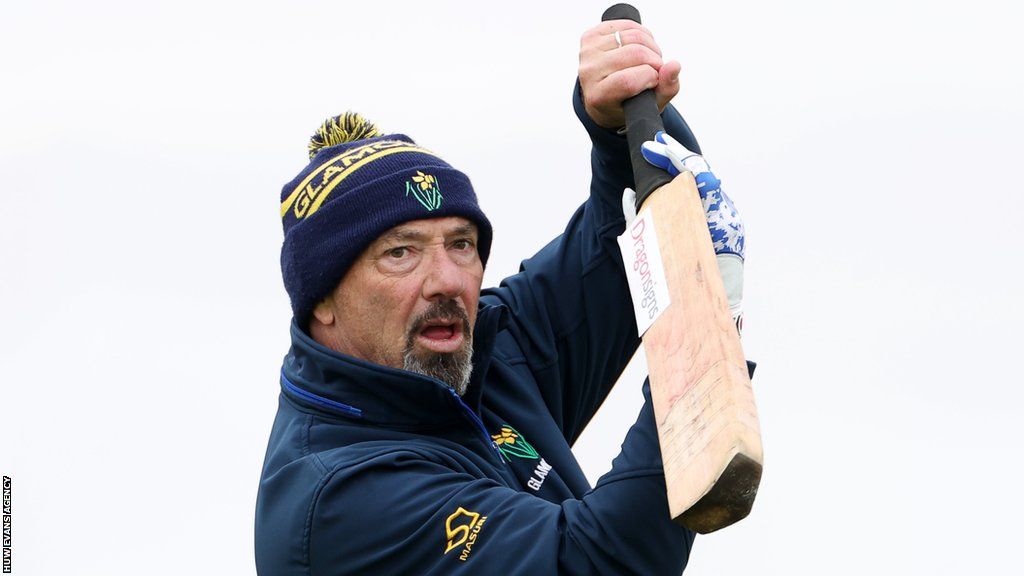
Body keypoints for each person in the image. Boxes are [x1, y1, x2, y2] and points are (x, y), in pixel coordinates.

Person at [256, 19, 748, 575]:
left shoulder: (474, 357)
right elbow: (600, 563)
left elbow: (624, 244)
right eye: (401, 253)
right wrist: (707, 328)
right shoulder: (341, 500)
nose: (445, 279)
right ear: (323, 298)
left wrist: (615, 122)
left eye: (461, 244)